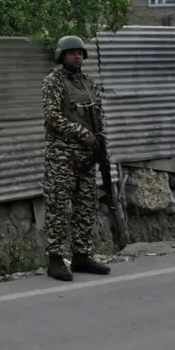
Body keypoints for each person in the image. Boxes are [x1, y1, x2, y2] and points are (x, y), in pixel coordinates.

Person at [40, 35, 112, 282]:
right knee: (59, 207)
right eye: (72, 53)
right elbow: (53, 117)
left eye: (80, 52)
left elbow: (97, 117)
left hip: (87, 156)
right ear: (62, 56)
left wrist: (101, 144)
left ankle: (81, 254)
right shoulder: (53, 81)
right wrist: (82, 133)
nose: (77, 56)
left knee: (86, 205)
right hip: (62, 155)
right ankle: (56, 259)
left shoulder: (87, 83)